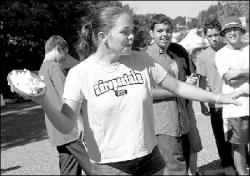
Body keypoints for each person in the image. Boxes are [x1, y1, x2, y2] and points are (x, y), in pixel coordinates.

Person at [15, 7, 244, 175]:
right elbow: (66, 123)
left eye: (132, 30)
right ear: (104, 37)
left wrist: (220, 97)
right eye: (125, 32)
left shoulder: (141, 60)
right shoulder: (80, 73)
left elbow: (178, 86)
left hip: (151, 158)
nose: (132, 36)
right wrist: (43, 100)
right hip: (111, 167)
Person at [146, 14, 202, 175]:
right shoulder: (147, 57)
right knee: (176, 169)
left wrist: (188, 82)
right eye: (160, 31)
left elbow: (181, 83)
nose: (165, 34)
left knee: (180, 166)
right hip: (163, 124)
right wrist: (179, 89)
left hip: (182, 121)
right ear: (151, 33)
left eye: (168, 30)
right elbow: (146, 92)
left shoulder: (174, 54)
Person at [38, 35, 92, 175]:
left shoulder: (41, 71)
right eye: (65, 54)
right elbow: (68, 98)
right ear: (58, 48)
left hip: (56, 130)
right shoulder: (55, 67)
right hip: (70, 129)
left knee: (69, 169)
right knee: (93, 166)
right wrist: (80, 121)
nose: (64, 59)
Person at [196, 16, 236, 175]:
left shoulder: (230, 49)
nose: (213, 38)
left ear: (220, 34)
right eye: (209, 35)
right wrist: (201, 102)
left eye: (215, 34)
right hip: (216, 103)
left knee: (238, 134)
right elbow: (202, 81)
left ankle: (243, 159)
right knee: (220, 136)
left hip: (234, 100)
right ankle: (226, 163)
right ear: (205, 36)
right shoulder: (202, 56)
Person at [214, 16, 249, 175]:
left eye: (235, 29)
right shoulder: (220, 55)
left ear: (242, 31)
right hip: (235, 107)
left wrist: (240, 72)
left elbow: (235, 74)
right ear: (224, 34)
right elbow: (229, 77)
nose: (232, 33)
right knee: (238, 145)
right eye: (228, 30)